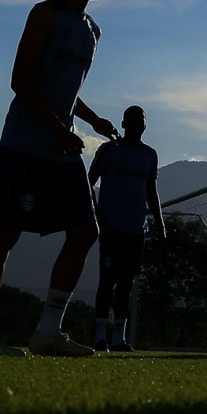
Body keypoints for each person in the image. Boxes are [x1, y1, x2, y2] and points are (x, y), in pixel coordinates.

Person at [0, 0, 118, 357]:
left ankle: (48, 331)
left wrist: (91, 120)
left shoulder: (93, 30)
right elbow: (22, 80)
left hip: (63, 143)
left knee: (87, 230)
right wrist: (57, 129)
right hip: (27, 143)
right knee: (8, 233)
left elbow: (67, 90)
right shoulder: (44, 14)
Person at [90, 104, 163, 352]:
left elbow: (151, 192)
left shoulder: (150, 155)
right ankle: (100, 336)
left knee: (127, 284)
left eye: (140, 119)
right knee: (107, 280)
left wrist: (160, 223)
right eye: (131, 119)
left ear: (145, 125)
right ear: (123, 124)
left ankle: (119, 338)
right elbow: (88, 181)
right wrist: (96, 212)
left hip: (136, 230)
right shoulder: (109, 150)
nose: (136, 123)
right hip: (111, 228)